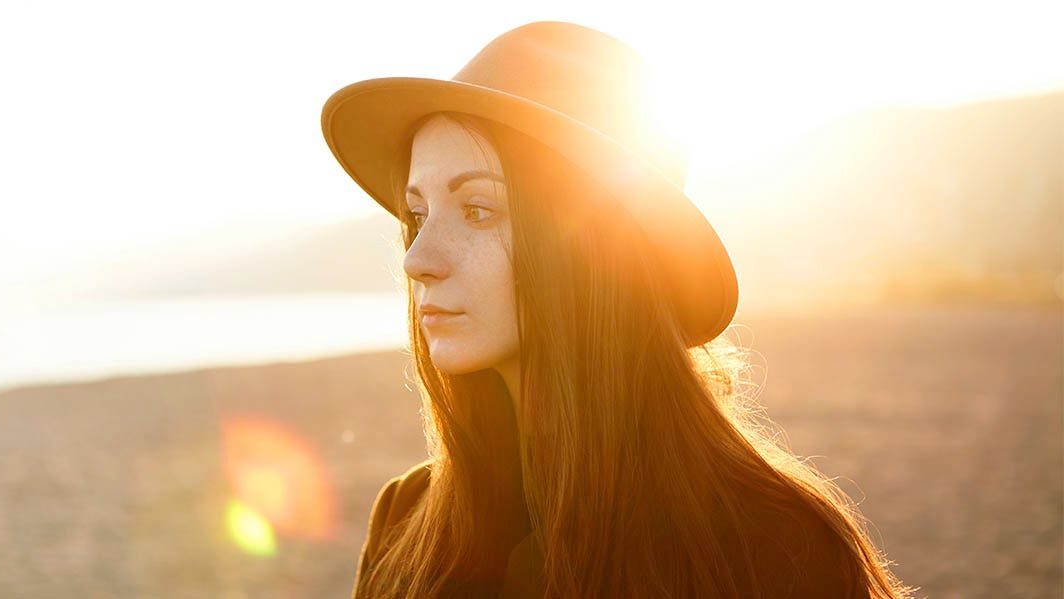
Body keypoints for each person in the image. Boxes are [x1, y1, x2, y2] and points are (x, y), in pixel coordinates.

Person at [321, 20, 915, 599]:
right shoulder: (406, 521)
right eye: (417, 216)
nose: (417, 260)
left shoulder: (774, 544)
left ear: (593, 249)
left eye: (477, 210)